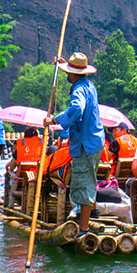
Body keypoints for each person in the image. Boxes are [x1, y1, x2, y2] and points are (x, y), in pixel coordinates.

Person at [44, 52, 104, 236]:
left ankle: (84, 228)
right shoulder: (88, 85)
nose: (67, 75)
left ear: (74, 74)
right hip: (94, 141)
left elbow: (77, 108)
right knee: (88, 178)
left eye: (69, 72)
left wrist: (54, 120)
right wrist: (63, 66)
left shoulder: (79, 90)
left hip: (86, 143)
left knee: (83, 182)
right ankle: (92, 211)